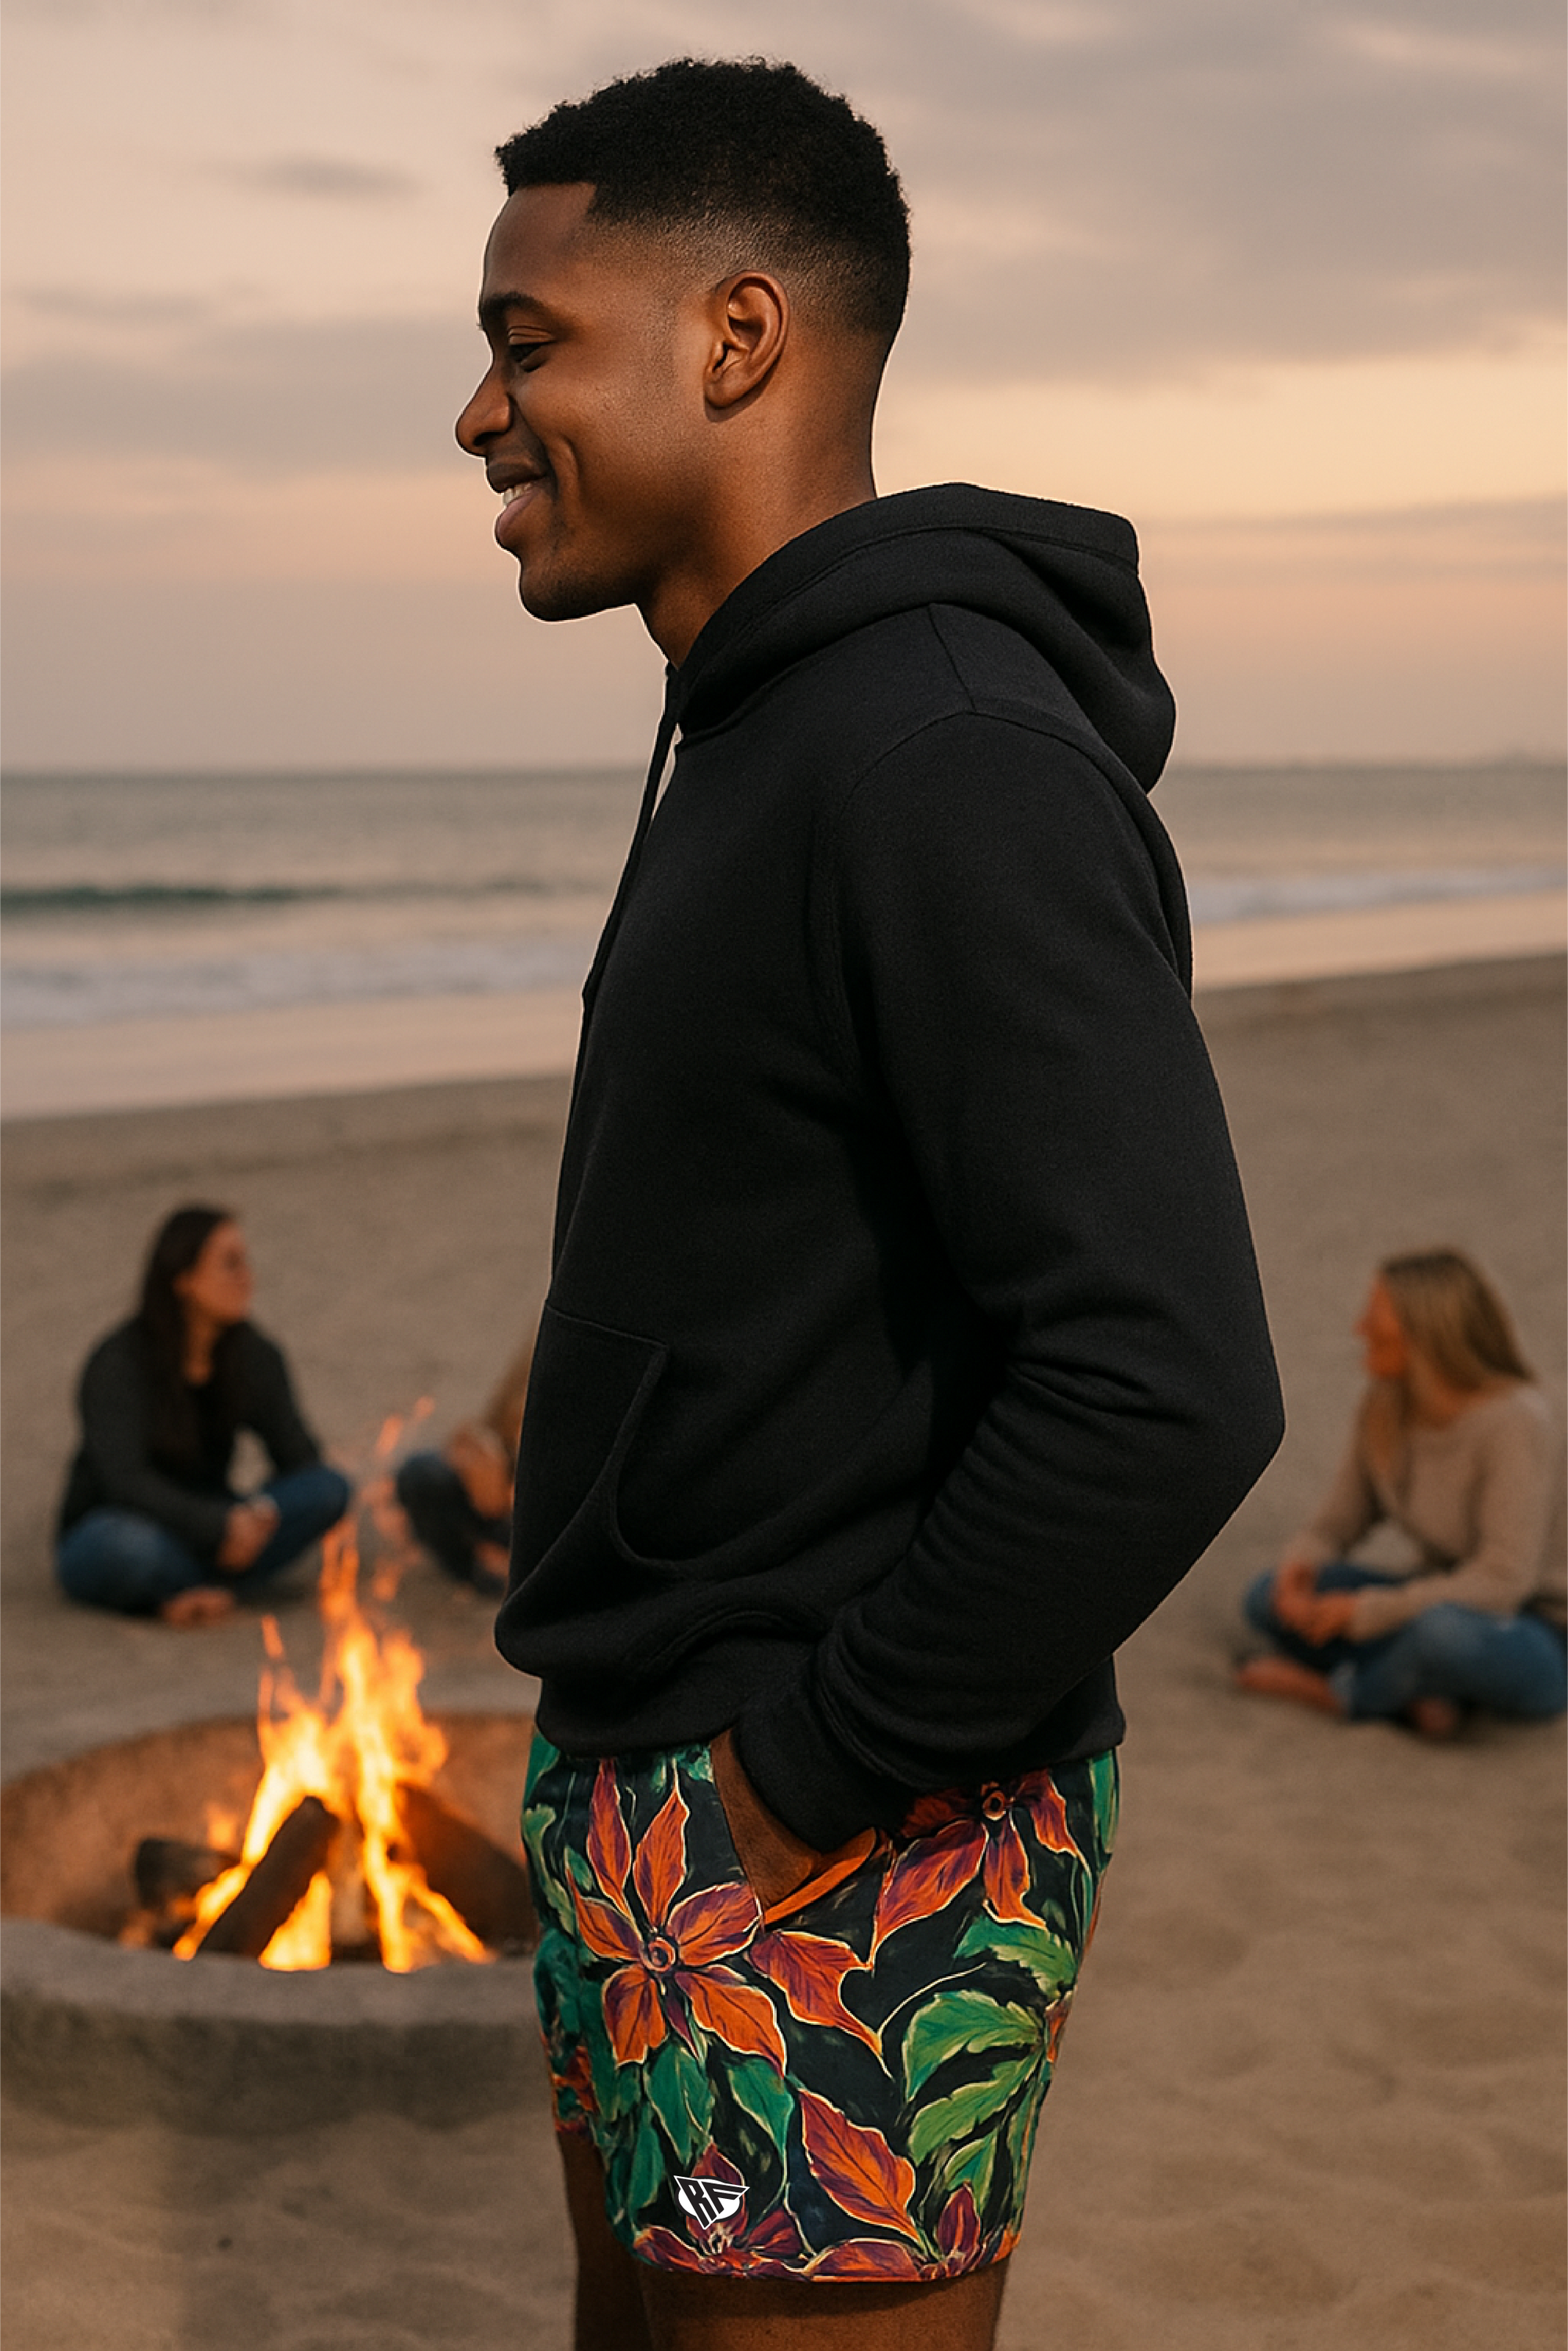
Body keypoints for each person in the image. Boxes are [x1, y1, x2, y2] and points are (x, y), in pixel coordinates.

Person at [456, 59, 1282, 2351]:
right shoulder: (749, 731)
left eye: (529, 343)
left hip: (838, 1838)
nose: (475, 414)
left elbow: (1165, 1377)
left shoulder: (944, 756)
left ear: (736, 341)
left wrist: (794, 1786)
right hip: (646, 1795)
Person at [1238, 1247, 1568, 1736]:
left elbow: (1503, 1581)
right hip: (1438, 1595)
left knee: (1439, 1633)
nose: (1358, 1328)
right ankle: (1427, 1690)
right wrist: (1299, 1570)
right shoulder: (1385, 1405)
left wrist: (1366, 1613)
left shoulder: (1515, 1422)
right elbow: (1337, 1525)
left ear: (1427, 1330)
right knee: (1266, 1598)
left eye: (1374, 1314)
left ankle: (1343, 1693)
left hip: (1535, 1629)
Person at [56, 1205, 350, 1628]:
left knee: (328, 1489)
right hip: (123, 1523)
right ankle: (201, 1584)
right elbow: (122, 1480)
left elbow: (300, 1459)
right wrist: (216, 1526)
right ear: (184, 1280)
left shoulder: (252, 1354)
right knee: (131, 1548)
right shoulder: (119, 1362)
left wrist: (256, 1518)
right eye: (229, 1265)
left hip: (218, 1523)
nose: (246, 1277)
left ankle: (185, 1588)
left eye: (245, 1262)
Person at [395, 1335, 534, 1597]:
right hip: (500, 1498)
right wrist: (481, 1459)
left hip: (549, 1521)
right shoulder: (547, 1336)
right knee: (420, 1474)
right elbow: (492, 1427)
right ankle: (473, 1570)